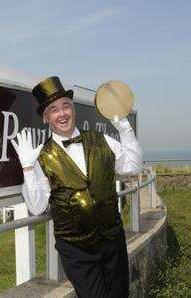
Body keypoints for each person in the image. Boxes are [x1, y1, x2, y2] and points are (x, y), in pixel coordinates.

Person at [11, 76, 143, 298]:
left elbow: (132, 166)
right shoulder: (41, 156)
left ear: (73, 110)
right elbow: (36, 207)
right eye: (53, 109)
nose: (62, 113)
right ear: (46, 118)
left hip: (112, 239)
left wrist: (125, 129)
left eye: (65, 106)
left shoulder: (101, 140)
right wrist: (27, 168)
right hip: (77, 249)